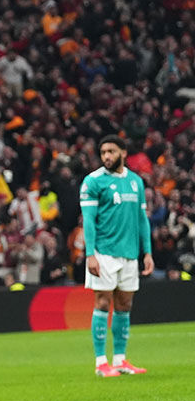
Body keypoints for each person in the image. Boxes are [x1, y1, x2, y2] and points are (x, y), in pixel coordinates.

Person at [80, 136, 153, 377]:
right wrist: (90, 254)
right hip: (104, 253)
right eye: (103, 153)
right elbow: (88, 220)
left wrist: (147, 252)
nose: (106, 157)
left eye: (111, 151)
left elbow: (142, 220)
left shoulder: (136, 182)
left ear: (123, 152)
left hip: (130, 254)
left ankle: (120, 360)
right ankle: (101, 362)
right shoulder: (93, 181)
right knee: (102, 303)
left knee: (124, 306)